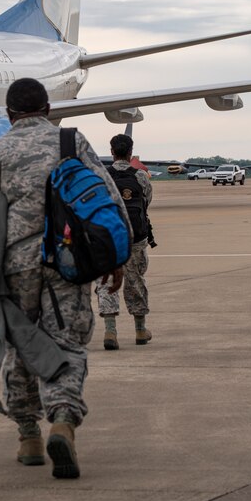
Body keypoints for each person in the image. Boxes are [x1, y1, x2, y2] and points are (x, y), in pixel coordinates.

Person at [0, 78, 127, 480]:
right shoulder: (71, 143)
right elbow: (108, 197)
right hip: (68, 261)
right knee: (68, 342)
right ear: (49, 109)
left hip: (15, 267)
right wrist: (116, 258)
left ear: (8, 114)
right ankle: (63, 420)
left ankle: (28, 437)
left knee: (22, 345)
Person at [95, 134, 152, 350]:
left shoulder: (101, 175)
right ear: (130, 152)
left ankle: (111, 331)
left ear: (111, 151)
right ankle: (140, 330)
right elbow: (146, 202)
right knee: (135, 281)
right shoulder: (140, 176)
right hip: (135, 239)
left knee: (107, 283)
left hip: (107, 239)